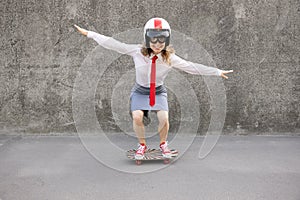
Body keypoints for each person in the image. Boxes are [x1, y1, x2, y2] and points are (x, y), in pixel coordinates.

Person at [74, 17, 233, 160]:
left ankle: (163, 145)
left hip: (158, 92)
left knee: (164, 119)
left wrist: (217, 72)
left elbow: (192, 67)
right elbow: (113, 44)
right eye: (154, 40)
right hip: (140, 91)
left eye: (161, 40)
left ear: (167, 40)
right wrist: (90, 34)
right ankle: (142, 145)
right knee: (137, 117)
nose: (157, 44)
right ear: (147, 39)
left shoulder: (170, 58)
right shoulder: (137, 52)